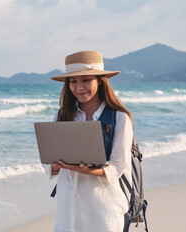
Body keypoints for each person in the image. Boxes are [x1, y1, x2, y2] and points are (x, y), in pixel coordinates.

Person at [43, 51, 134, 232]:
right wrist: (56, 165)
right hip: (67, 210)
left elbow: (118, 166)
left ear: (100, 80)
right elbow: (48, 165)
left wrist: (86, 170)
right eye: (73, 81)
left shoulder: (119, 118)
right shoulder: (62, 116)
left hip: (103, 211)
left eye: (86, 80)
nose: (79, 87)